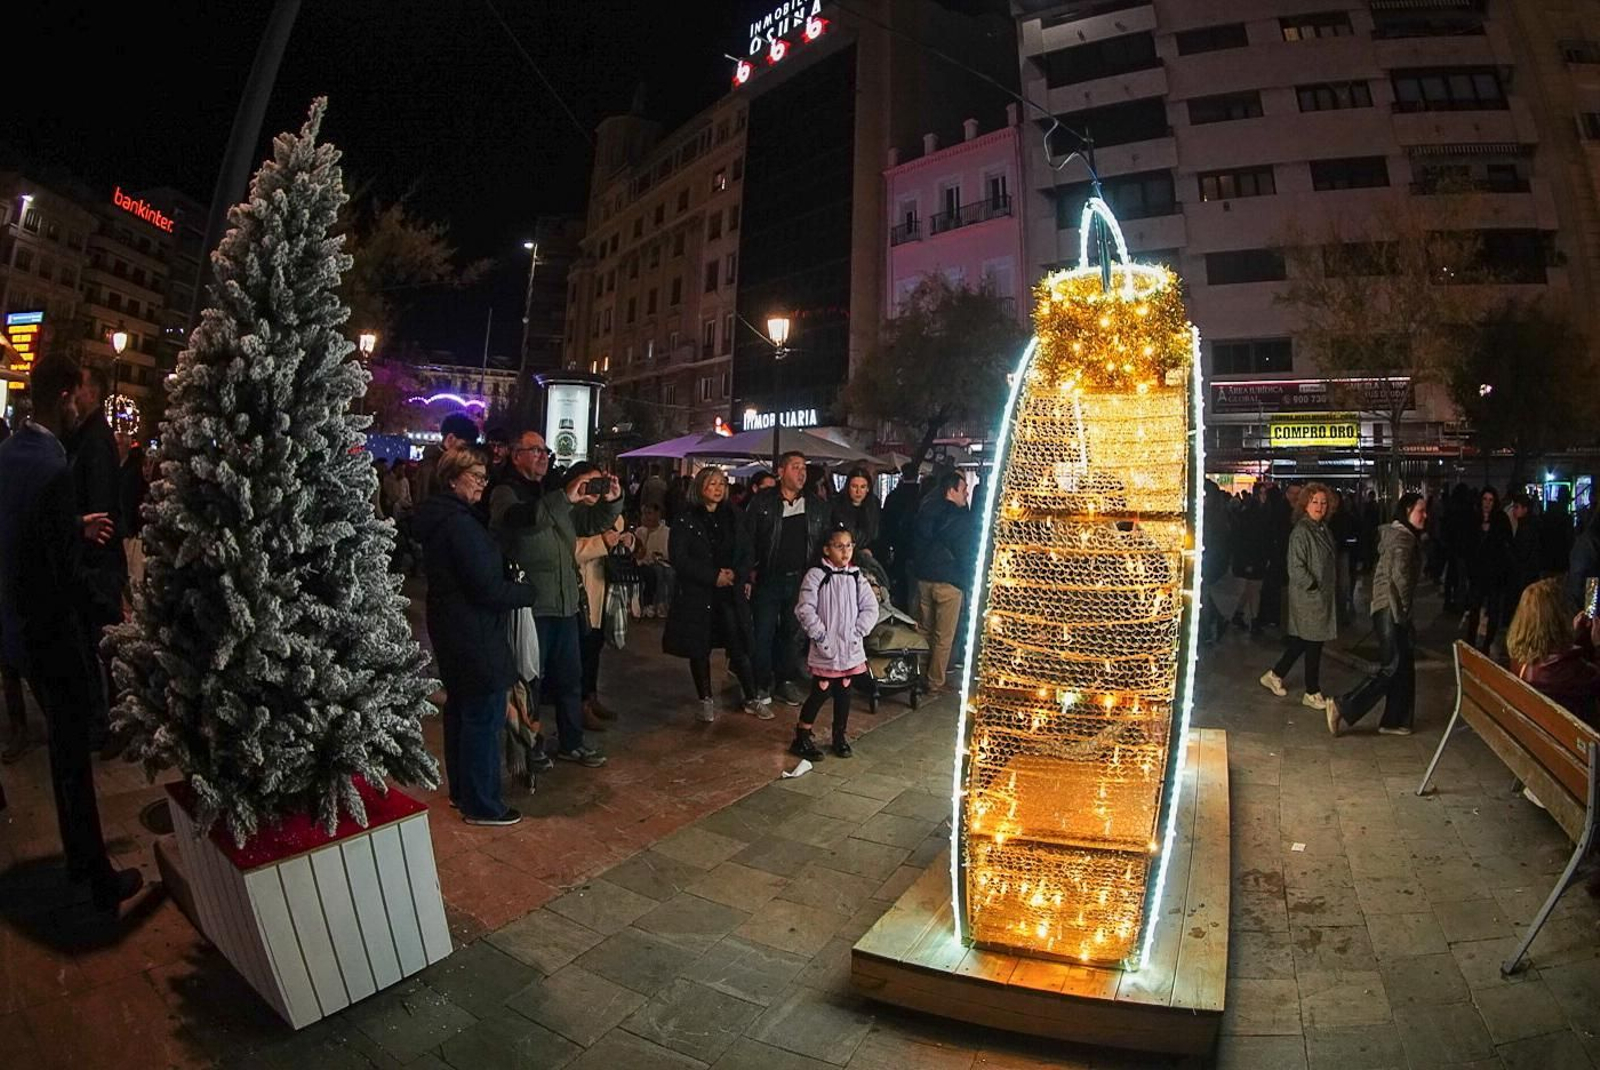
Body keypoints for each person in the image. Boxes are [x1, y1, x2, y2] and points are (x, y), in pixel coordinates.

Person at [0, 352, 142, 909]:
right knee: (72, 752)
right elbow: (60, 569)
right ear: (64, 396)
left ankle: (84, 861)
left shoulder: (10, 453)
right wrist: (112, 606)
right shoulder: (56, 467)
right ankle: (91, 869)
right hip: (50, 630)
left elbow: (25, 528)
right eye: (79, 394)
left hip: (14, 623)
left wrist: (69, 524)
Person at [414, 447, 537, 825]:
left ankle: (464, 794)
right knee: (483, 716)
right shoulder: (459, 524)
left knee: (462, 712)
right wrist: (526, 592)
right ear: (452, 478)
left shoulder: (444, 518)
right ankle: (483, 804)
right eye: (475, 476)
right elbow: (486, 588)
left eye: (485, 477)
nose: (483, 484)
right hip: (473, 631)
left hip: (454, 628)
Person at [489, 432, 617, 767]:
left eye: (545, 450)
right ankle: (528, 748)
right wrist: (564, 498)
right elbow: (523, 521)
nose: (544, 456)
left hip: (564, 603)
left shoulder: (551, 492)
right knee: (529, 681)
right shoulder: (507, 492)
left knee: (570, 679)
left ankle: (571, 742)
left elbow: (590, 522)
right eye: (535, 450)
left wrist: (612, 501)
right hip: (533, 605)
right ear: (515, 456)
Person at [663, 468, 766, 722]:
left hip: (729, 592)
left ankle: (752, 696)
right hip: (698, 594)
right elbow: (680, 557)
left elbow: (746, 550)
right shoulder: (686, 519)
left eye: (722, 483)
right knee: (700, 647)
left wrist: (737, 574)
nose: (718, 488)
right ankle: (705, 699)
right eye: (712, 483)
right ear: (700, 487)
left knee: (738, 643)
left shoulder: (734, 516)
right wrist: (712, 576)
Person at [64, 363, 127, 754]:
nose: (75, 392)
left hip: (97, 563)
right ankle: (102, 718)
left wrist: (92, 552)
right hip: (92, 560)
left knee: (102, 644)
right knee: (94, 644)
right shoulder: (82, 436)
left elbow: (101, 506)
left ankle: (111, 722)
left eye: (82, 386)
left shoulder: (95, 439)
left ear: (95, 392)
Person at [1327, 493, 1427, 737]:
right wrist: (1403, 616)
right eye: (1420, 510)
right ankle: (1343, 705)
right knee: (1393, 666)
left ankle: (1395, 720)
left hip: (1388, 608)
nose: (1425, 515)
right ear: (1406, 511)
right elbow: (1400, 580)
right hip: (1391, 609)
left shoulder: (1399, 536)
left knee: (1402, 666)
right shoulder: (1402, 540)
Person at [743, 451, 830, 706]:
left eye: (803, 467)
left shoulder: (816, 505)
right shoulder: (763, 502)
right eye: (795, 467)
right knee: (763, 632)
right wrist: (748, 574)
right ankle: (760, 684)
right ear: (780, 472)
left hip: (800, 580)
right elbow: (748, 540)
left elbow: (822, 540)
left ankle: (785, 681)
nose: (801, 472)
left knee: (791, 634)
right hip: (768, 578)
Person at [789, 527, 880, 760]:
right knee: (820, 691)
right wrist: (820, 636)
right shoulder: (817, 575)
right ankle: (802, 735)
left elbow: (870, 608)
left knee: (844, 692)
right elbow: (805, 608)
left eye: (849, 546)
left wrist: (857, 632)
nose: (845, 551)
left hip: (850, 649)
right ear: (827, 549)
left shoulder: (857, 577)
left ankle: (839, 736)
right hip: (825, 649)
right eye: (839, 546)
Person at [1260, 483, 1337, 709]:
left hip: (1319, 597)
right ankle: (1312, 691)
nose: (1319, 507)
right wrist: (1312, 584)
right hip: (1309, 597)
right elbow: (1296, 566)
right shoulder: (1302, 531)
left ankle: (1275, 674)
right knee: (1312, 642)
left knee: (1305, 641)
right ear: (1305, 504)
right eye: (1315, 502)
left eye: (1323, 503)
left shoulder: (1322, 528)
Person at [572, 461, 632, 728]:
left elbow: (617, 527)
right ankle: (578, 705)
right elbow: (568, 549)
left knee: (594, 647)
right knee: (578, 652)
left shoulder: (603, 512)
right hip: (579, 591)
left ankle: (590, 697)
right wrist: (601, 543)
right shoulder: (569, 511)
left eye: (600, 483)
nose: (595, 489)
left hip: (601, 589)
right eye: (589, 483)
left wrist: (626, 538)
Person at [1505, 577, 1599, 727]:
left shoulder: (1521, 656)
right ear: (1558, 618)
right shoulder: (1563, 669)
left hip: (1542, 734)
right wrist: (1597, 644)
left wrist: (1576, 637)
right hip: (1574, 743)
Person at [913, 470, 975, 693]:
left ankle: (916, 674)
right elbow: (966, 553)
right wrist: (967, 580)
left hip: (923, 578)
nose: (966, 493)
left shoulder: (924, 511)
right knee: (943, 636)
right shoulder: (960, 518)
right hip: (949, 581)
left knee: (924, 630)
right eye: (963, 489)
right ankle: (934, 681)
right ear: (951, 491)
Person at [1462, 486, 1513, 653]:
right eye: (1485, 499)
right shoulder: (1473, 518)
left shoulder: (1500, 519)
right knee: (1475, 608)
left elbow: (1506, 544)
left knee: (1493, 610)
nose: (1487, 503)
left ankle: (1487, 643)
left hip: (1494, 574)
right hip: (1477, 573)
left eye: (1490, 500)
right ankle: (1470, 641)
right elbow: (1467, 544)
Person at [1230, 484, 1271, 634]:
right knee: (1254, 588)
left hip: (1255, 556)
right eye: (1262, 493)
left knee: (1251, 588)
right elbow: (1249, 538)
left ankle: (1240, 614)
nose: (1264, 497)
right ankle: (1253, 620)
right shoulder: (1255, 514)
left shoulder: (1252, 512)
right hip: (1254, 557)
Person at [415, 413, 479, 504]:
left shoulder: (448, 464)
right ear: (450, 439)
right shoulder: (431, 468)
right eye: (464, 446)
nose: (466, 452)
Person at [119, 443, 151, 593]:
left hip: (132, 530)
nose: (147, 468)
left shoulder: (129, 474)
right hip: (134, 531)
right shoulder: (134, 477)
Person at [831, 468, 881, 561]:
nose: (858, 491)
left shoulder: (874, 506)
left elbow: (879, 534)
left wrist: (871, 550)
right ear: (848, 487)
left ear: (868, 488)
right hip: (842, 558)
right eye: (854, 486)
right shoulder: (836, 506)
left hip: (869, 558)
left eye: (862, 487)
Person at [634, 502, 673, 618]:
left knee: (668, 573)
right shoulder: (640, 532)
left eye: (649, 513)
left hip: (662, 563)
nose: (646, 517)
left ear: (658, 514)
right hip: (644, 564)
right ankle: (655, 604)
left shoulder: (667, 532)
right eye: (644, 514)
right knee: (656, 572)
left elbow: (669, 553)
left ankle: (665, 604)